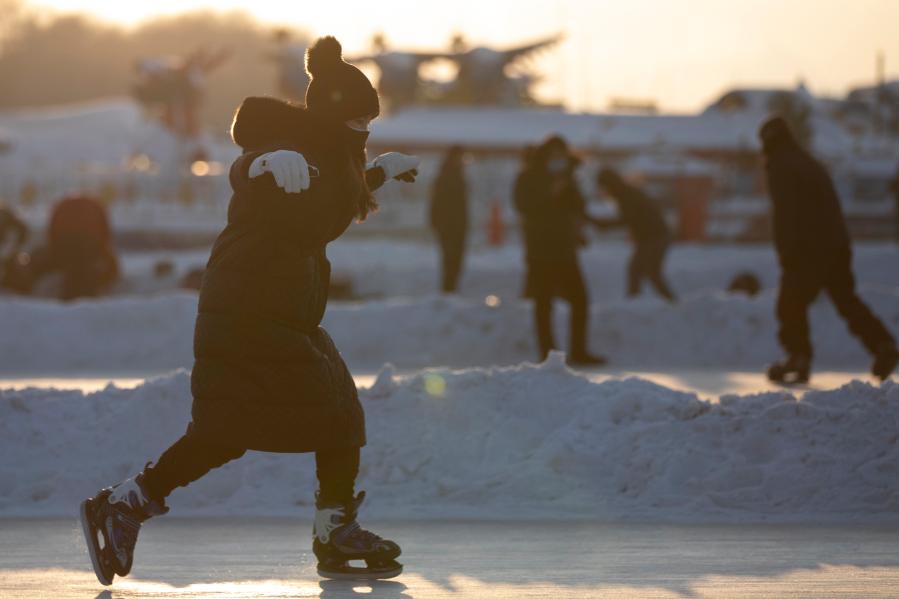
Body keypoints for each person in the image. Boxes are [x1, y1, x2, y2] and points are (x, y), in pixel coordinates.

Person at [79, 36, 421, 585]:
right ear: (333, 115)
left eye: (369, 122)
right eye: (357, 120)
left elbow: (329, 208)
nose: (364, 131)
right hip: (246, 313)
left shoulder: (332, 156)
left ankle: (130, 503)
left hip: (281, 316)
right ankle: (130, 503)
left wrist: (376, 174)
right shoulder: (290, 151)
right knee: (283, 422)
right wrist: (261, 163)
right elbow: (257, 181)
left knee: (247, 428)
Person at [759, 116, 897, 384]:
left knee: (790, 303)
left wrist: (786, 251)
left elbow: (785, 212)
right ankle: (883, 345)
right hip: (837, 243)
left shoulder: (780, 165)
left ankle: (798, 358)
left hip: (808, 247)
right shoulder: (808, 161)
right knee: (846, 299)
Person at [514, 135, 605, 366]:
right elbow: (523, 207)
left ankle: (579, 351)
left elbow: (577, 208)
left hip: (565, 249)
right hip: (540, 250)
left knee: (580, 300)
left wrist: (578, 229)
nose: (557, 160)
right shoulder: (527, 178)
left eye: (561, 156)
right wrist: (550, 192)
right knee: (543, 303)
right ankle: (548, 355)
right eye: (553, 156)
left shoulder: (568, 179)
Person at [594, 168, 677, 302]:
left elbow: (627, 219)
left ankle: (637, 302)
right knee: (647, 272)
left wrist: (605, 225)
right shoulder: (626, 193)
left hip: (654, 237)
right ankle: (669, 303)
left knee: (639, 271)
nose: (603, 191)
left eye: (603, 187)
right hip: (654, 236)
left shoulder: (625, 195)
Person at [429, 145, 469, 292]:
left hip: (456, 225)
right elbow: (437, 202)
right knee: (451, 259)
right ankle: (449, 290)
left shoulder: (455, 174)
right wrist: (438, 223)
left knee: (455, 259)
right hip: (450, 226)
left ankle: (450, 289)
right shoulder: (447, 176)